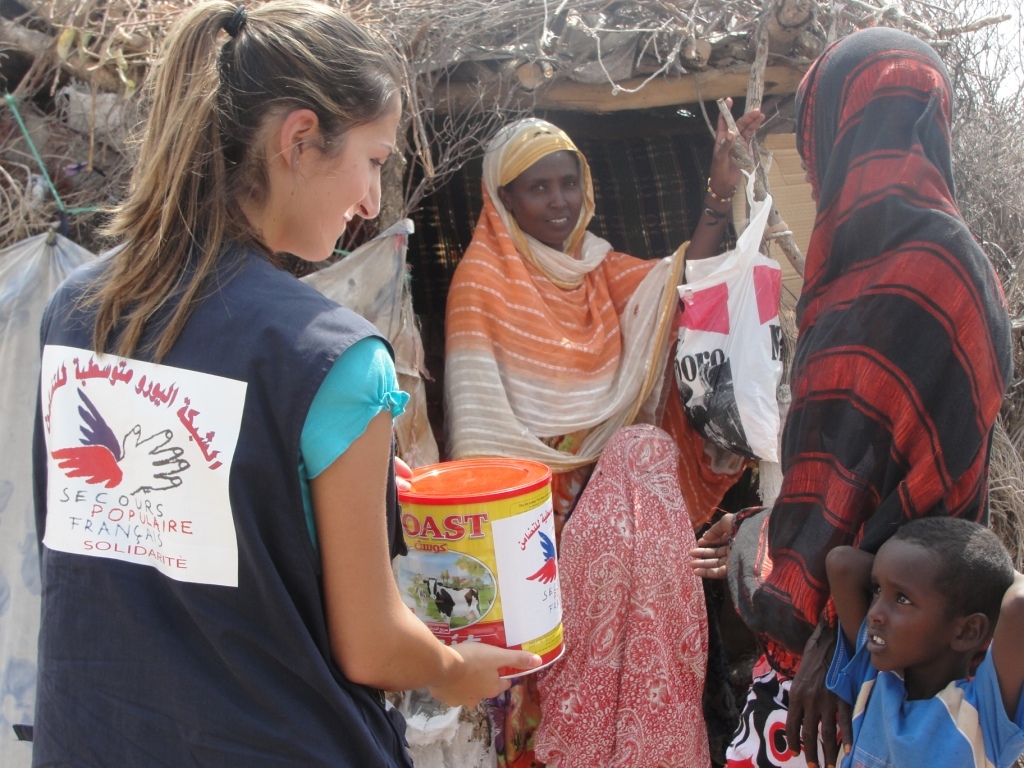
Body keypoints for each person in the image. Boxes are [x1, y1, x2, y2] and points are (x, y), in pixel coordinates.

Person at [30, 3, 539, 765]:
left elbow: (161, 535)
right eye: (373, 161)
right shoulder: (330, 356)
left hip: (96, 738)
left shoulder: (76, 314)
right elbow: (371, 647)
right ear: (299, 140)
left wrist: (314, 495)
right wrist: (452, 670)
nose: (372, 202)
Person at [688, 26, 1013, 768]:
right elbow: (844, 462)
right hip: (848, 635)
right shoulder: (860, 269)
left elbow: (930, 502)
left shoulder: (934, 269)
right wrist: (763, 524)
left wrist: (838, 638)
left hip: (864, 665)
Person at [444, 104, 763, 767]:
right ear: (503, 198)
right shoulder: (480, 280)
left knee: (621, 630)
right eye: (538, 187)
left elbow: (672, 288)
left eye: (568, 183)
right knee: (538, 668)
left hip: (609, 506)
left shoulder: (596, 267)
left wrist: (718, 196)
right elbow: (479, 431)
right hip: (524, 511)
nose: (559, 202)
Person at [825, 518, 1024, 768]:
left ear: (967, 631)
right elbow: (841, 563)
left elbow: (1019, 605)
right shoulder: (877, 679)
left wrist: (995, 571)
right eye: (877, 589)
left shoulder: (983, 717)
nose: (875, 613)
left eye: (903, 599)